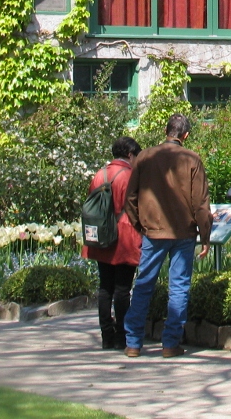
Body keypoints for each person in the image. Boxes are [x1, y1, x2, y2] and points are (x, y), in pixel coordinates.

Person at [123, 112, 211, 358]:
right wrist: (205, 236)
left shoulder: (144, 157)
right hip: (183, 232)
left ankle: (133, 342)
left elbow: (130, 197)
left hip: (153, 230)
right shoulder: (192, 159)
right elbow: (201, 203)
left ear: (166, 131)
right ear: (186, 135)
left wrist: (139, 224)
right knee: (179, 286)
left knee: (143, 285)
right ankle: (170, 343)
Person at [83, 136, 142, 350]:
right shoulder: (129, 176)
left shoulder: (100, 174)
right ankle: (121, 336)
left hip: (101, 237)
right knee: (123, 289)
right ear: (129, 154)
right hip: (125, 237)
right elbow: (137, 207)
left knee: (105, 288)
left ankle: (106, 335)